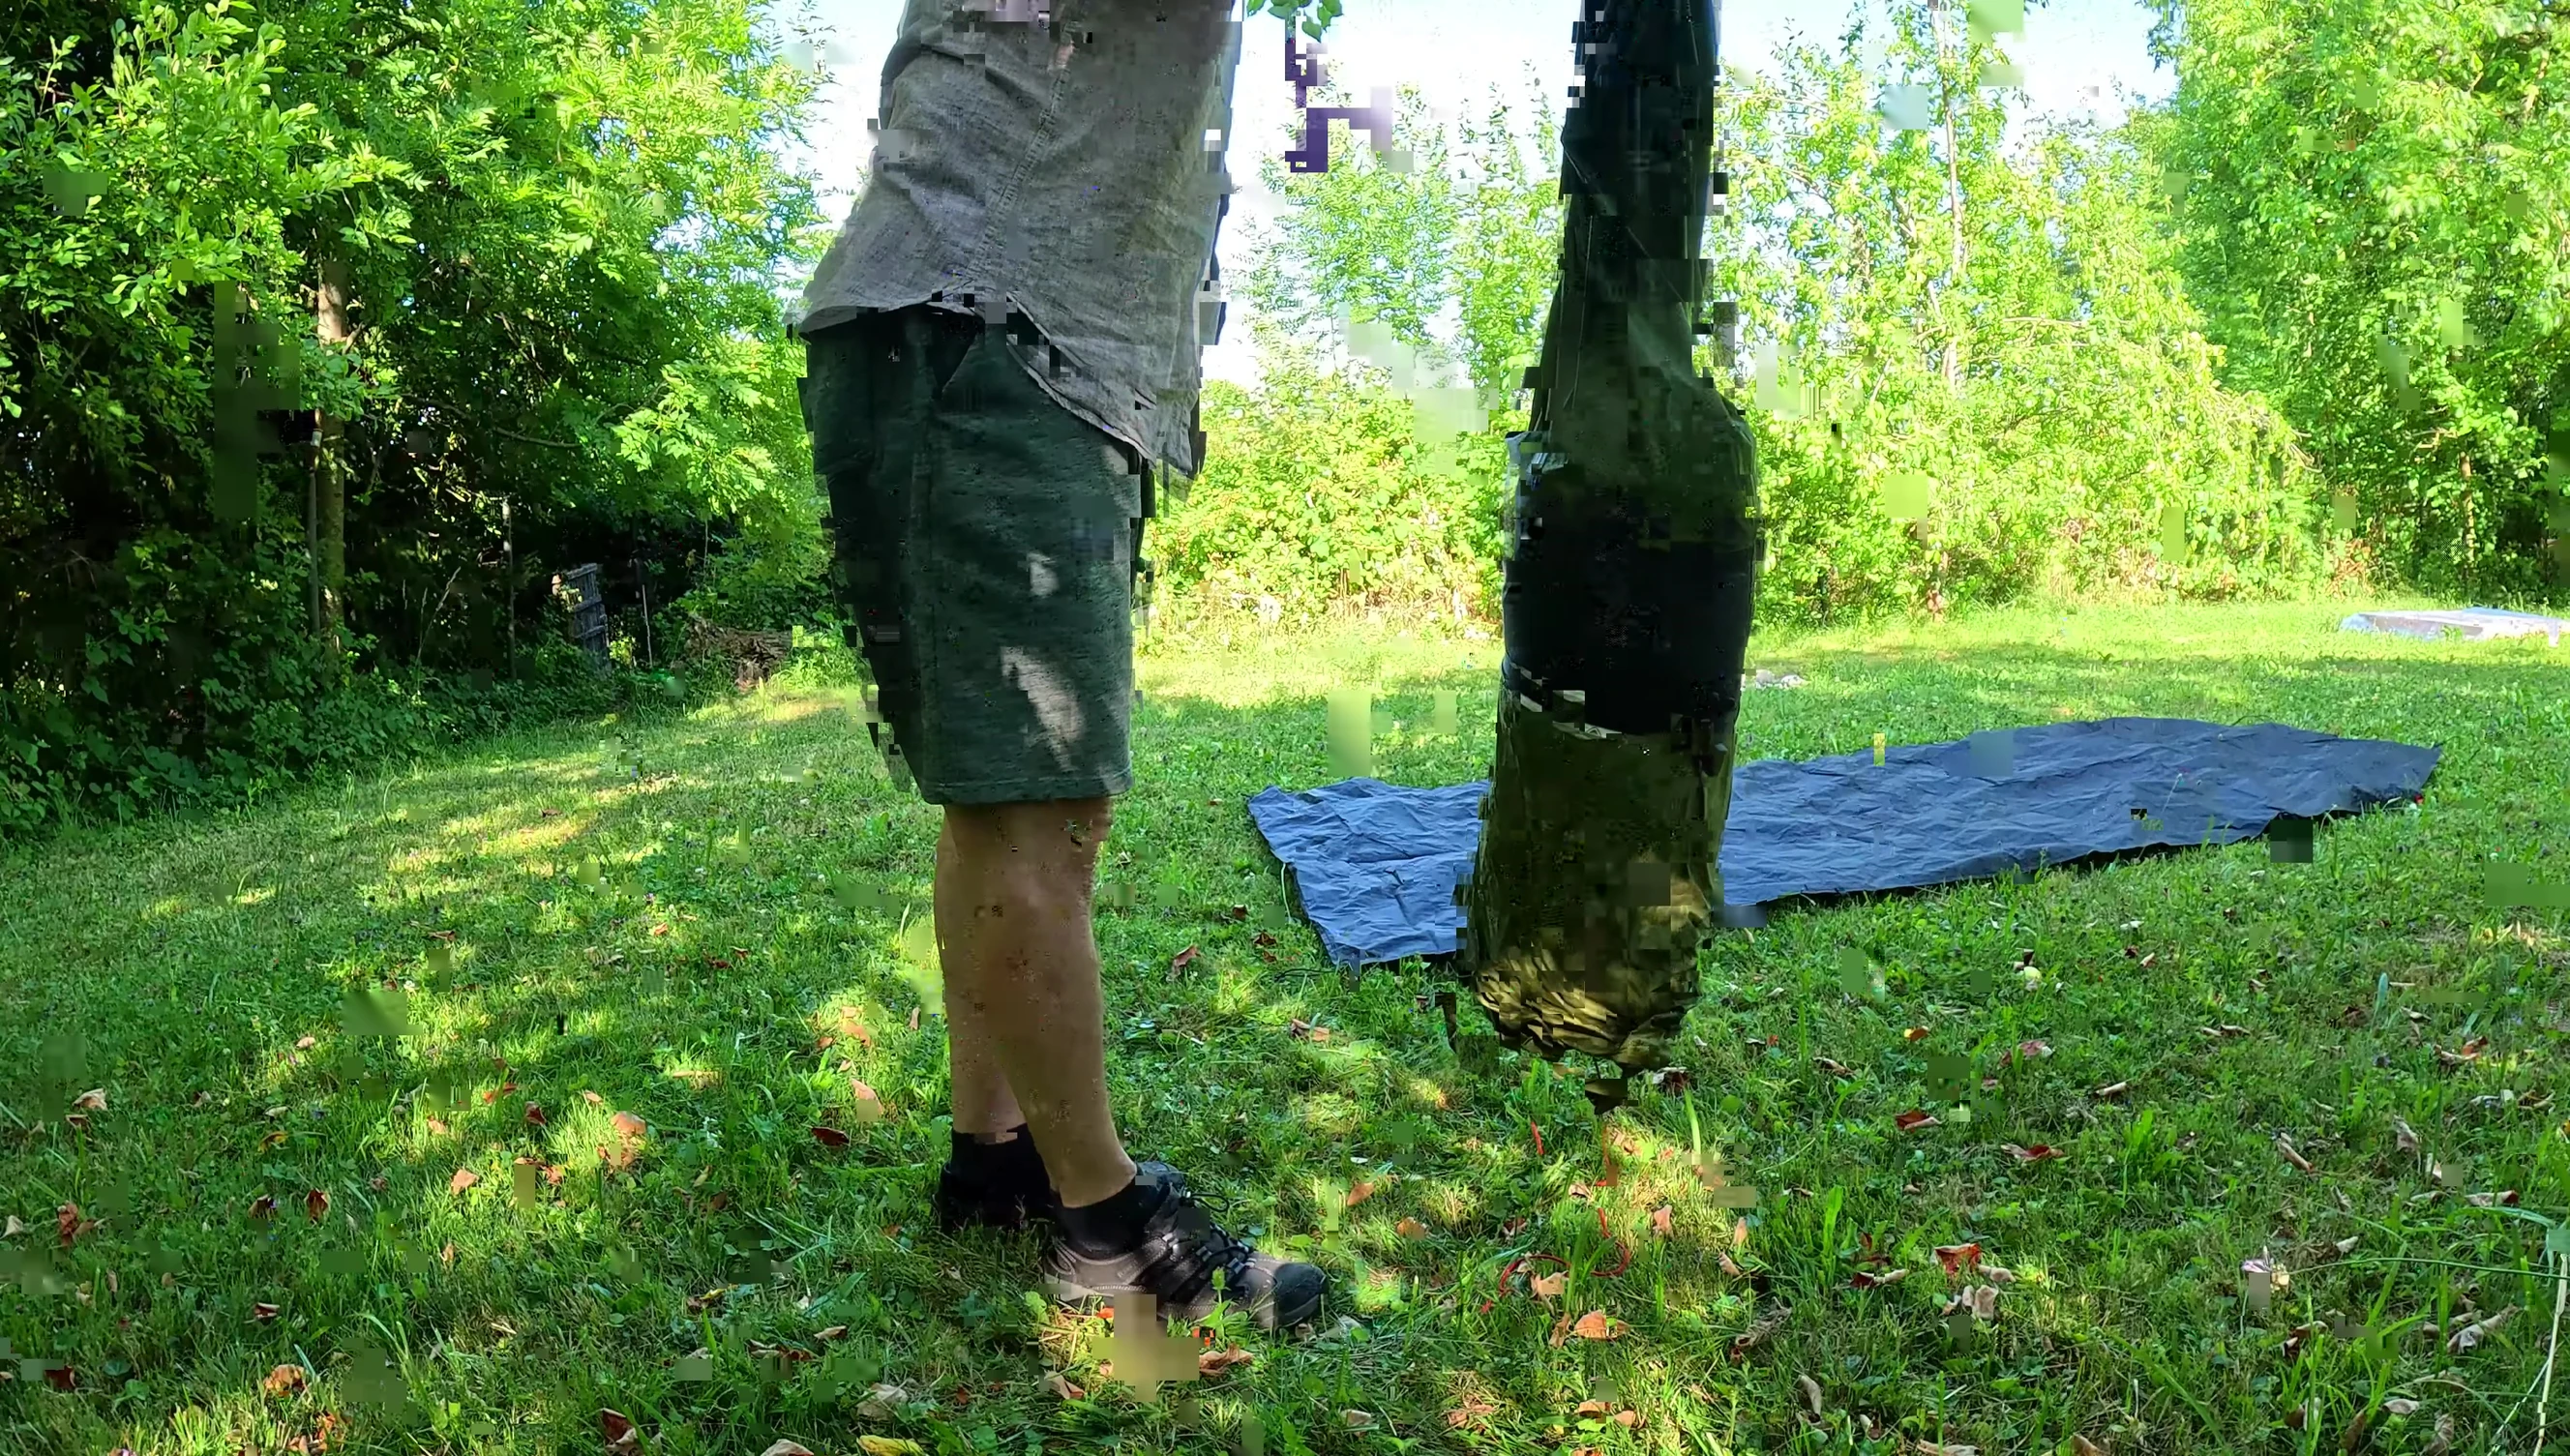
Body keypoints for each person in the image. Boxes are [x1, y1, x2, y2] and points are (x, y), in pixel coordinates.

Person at [792, 0, 1326, 1333]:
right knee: (1032, 806)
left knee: (1026, 802)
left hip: (1024, 342)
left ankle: (996, 1161)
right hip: (989, 331)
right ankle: (1104, 1231)